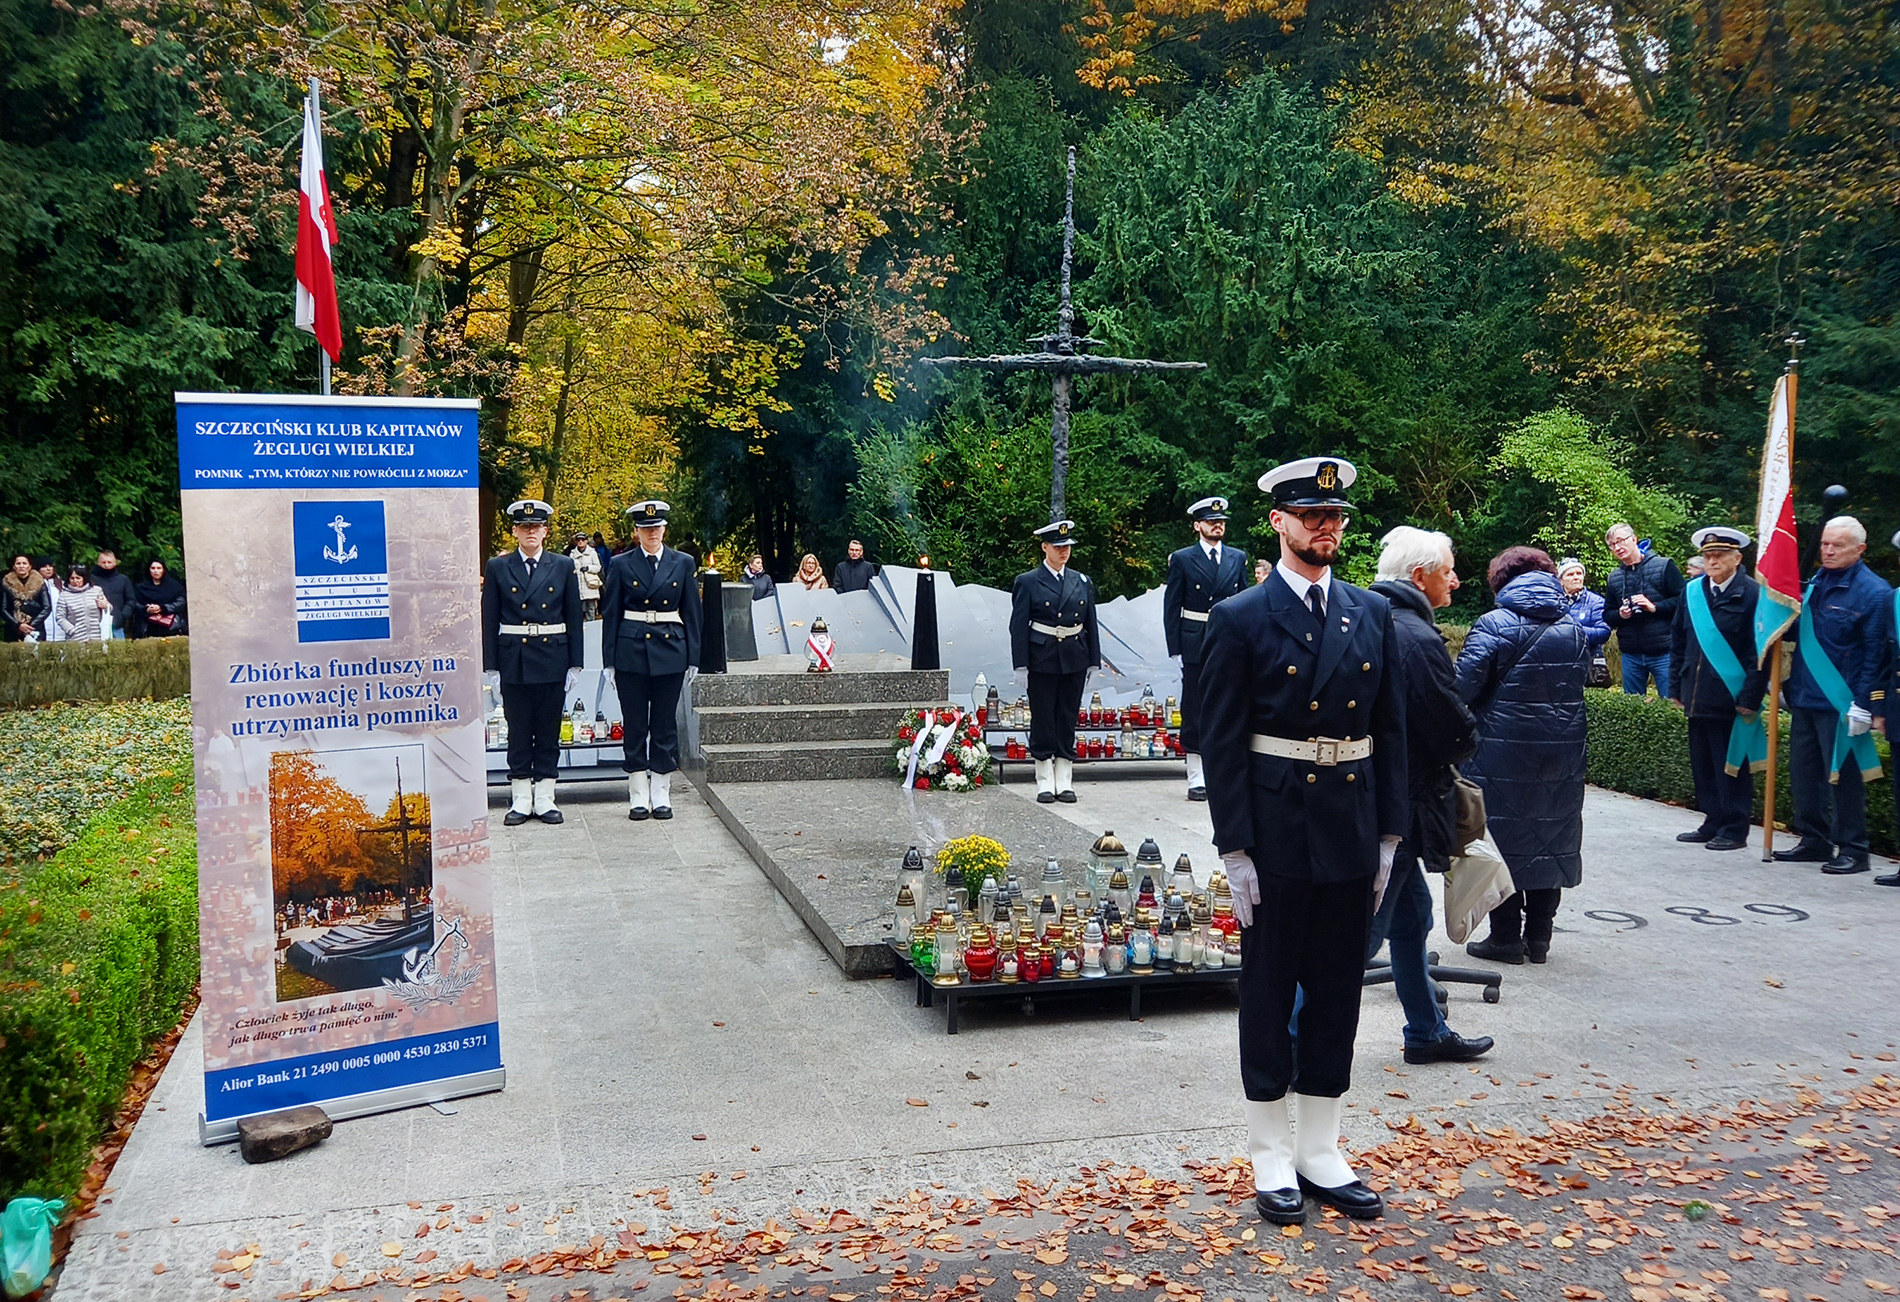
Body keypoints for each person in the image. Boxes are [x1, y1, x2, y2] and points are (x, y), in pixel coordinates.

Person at [1200, 455, 1405, 1227]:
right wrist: (1235, 848)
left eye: (1335, 518)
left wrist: (1390, 835)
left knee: (1336, 991)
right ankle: (1268, 1151)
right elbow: (1219, 741)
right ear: (1279, 524)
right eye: (1310, 516)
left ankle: (1322, 1148)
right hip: (1277, 828)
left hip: (1350, 826)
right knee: (1268, 987)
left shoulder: (1370, 612)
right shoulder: (1240, 618)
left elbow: (1392, 731)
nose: (1326, 528)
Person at [1367, 527, 1491, 1064]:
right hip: (1403, 804)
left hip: (1388, 799)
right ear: (1420, 577)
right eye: (1448, 570)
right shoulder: (1415, 637)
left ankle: (1426, 1030)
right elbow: (1451, 730)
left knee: (1412, 916)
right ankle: (1298, 1040)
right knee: (1362, 938)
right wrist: (1470, 734)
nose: (1456, 580)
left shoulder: (1368, 616)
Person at [1457, 547, 1587, 964]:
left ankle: (1506, 938)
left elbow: (1462, 688)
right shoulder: (1574, 626)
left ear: (1502, 579)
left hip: (1501, 747)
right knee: (1551, 836)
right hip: (1562, 748)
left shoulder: (1495, 624)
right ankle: (1541, 939)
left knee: (1502, 839)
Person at [1773, 515, 1893, 875]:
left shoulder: (1875, 592)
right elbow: (1796, 634)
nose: (1828, 550)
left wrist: (1864, 703)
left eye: (1837, 545)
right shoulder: (1813, 584)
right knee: (1804, 774)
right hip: (1806, 695)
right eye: (1825, 543)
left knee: (1844, 778)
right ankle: (1814, 839)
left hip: (1842, 703)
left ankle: (1854, 849)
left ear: (1860, 549)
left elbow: (1876, 654)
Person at [481, 499, 583, 826]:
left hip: (553, 655)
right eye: (524, 527)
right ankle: (522, 798)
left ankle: (546, 797)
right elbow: (489, 618)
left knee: (548, 730)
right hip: (514, 659)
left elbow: (573, 616)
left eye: (536, 527)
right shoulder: (498, 567)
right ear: (515, 531)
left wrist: (575, 663)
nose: (530, 532)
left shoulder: (563, 566)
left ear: (545, 532)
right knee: (520, 730)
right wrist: (491, 666)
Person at [1668, 527, 1769, 852]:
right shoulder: (1693, 591)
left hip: (1731, 696)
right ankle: (1712, 819)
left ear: (1737, 558)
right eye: (1708, 556)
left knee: (1732, 765)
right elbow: (1678, 642)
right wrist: (1675, 686)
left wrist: (1751, 696)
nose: (1712, 561)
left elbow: (1760, 651)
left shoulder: (1752, 593)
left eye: (1719, 556)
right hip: (1697, 693)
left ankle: (1735, 827)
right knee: (1704, 764)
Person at [602, 499, 703, 822]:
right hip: (631, 651)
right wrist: (609, 660)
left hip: (670, 649)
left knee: (663, 725)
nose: (652, 534)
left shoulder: (682, 562)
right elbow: (611, 613)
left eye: (657, 528)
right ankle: (637, 794)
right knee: (635, 724)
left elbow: (692, 611)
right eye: (646, 529)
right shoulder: (621, 564)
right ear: (637, 532)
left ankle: (661, 791)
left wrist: (694, 656)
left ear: (664, 529)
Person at [1009, 519, 1101, 805]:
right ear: (1044, 547)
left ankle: (1065, 779)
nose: (1064, 552)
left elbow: (1091, 623)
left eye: (1067, 547)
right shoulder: (1028, 581)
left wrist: (1094, 661)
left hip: (1074, 655)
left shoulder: (1081, 581)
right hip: (1043, 656)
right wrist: (1021, 664)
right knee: (1044, 718)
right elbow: (1019, 626)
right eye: (1058, 547)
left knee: (1067, 717)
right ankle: (1044, 779)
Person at [1163, 496, 1249, 801]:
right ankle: (1196, 775)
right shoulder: (1183, 559)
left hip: (1227, 638)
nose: (1217, 526)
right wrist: (1175, 648)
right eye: (1211, 522)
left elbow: (1245, 603)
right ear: (1197, 526)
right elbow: (1172, 606)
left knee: (1227, 705)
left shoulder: (1237, 558)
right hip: (1195, 638)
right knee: (1196, 708)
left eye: (1221, 522)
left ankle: (1222, 772)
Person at [1603, 523, 1684, 697]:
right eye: (1612, 545)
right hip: (1631, 653)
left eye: (1621, 541)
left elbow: (1683, 602)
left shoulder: (1664, 566)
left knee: (1671, 704)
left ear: (1634, 539)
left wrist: (1654, 607)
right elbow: (1607, 614)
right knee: (1632, 707)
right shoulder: (1614, 577)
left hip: (1664, 650)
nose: (1617, 547)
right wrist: (1620, 614)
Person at [1556, 558, 1610, 651]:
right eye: (1570, 575)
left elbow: (1603, 633)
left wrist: (1572, 630)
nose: (1576, 577)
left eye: (1579, 573)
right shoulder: (1554, 601)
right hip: (1560, 656)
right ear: (1561, 581)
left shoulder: (1596, 601)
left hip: (1589, 657)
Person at [55, 565, 111, 643]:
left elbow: (109, 609)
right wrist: (72, 630)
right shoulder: (64, 595)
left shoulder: (96, 591)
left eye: (78, 578)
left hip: (97, 636)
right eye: (72, 578)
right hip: (75, 639)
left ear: (84, 578)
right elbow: (60, 617)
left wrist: (106, 605)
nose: (75, 581)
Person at [131, 559, 187, 638]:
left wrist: (162, 608)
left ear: (163, 569)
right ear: (149, 570)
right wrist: (146, 609)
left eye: (159, 568)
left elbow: (180, 602)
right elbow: (134, 603)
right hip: (147, 628)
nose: (156, 571)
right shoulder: (140, 587)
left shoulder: (174, 586)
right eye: (153, 568)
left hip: (171, 628)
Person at [3, 554, 51, 642]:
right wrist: (18, 625)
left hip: (35, 628)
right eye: (18, 563)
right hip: (13, 629)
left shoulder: (39, 582)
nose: (21, 566)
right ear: (14, 566)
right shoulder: (6, 583)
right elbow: (3, 609)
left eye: (24, 563)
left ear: (29, 566)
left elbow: (47, 607)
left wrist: (31, 625)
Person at [90, 550, 135, 638]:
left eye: (109, 562)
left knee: (119, 650)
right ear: (98, 563)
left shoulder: (123, 579)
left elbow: (131, 600)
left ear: (115, 563)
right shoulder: (91, 579)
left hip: (117, 624)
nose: (106, 565)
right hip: (96, 625)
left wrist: (123, 615)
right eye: (103, 562)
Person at [569, 533, 603, 621]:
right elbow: (570, 569)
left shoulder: (592, 553)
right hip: (578, 584)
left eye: (582, 540)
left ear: (586, 541)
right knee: (579, 608)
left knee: (591, 607)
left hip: (590, 584)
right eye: (578, 540)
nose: (580, 542)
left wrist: (588, 568)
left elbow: (598, 567)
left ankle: (591, 624)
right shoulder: (572, 554)